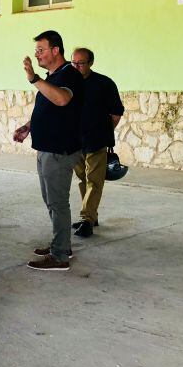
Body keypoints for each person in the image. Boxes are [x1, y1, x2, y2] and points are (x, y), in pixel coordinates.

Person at [13, 30, 83, 271]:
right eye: (36, 51)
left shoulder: (70, 75)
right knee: (51, 200)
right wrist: (28, 127)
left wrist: (34, 79)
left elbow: (62, 100)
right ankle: (60, 243)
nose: (38, 55)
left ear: (56, 51)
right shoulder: (51, 76)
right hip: (46, 148)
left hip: (59, 150)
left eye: (41, 50)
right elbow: (49, 108)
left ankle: (60, 255)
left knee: (57, 202)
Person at [70, 47, 124, 237]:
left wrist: (104, 132)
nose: (76, 67)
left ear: (90, 63)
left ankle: (86, 218)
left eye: (81, 63)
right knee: (83, 179)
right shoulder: (68, 83)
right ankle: (91, 215)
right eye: (73, 63)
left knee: (94, 180)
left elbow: (117, 112)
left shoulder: (104, 83)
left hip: (96, 141)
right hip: (74, 142)